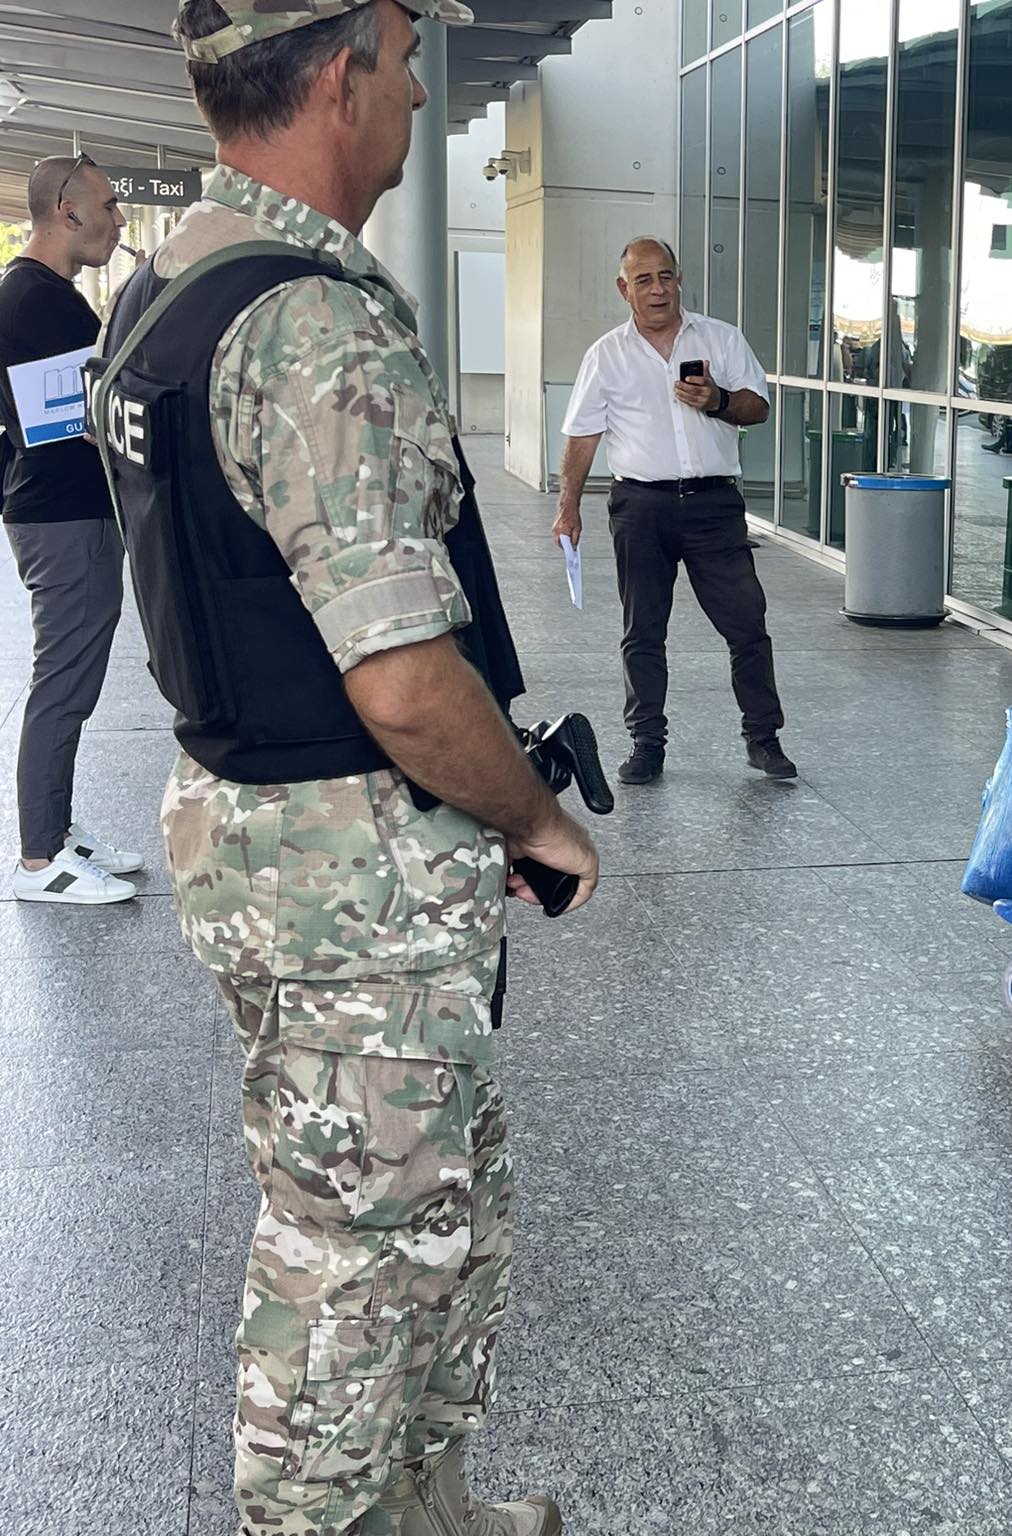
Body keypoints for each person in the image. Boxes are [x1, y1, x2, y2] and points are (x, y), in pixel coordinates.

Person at [98, 2, 598, 1531]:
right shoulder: (308, 321)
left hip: (276, 844)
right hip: (349, 875)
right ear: (338, 79)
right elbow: (400, 679)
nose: (421, 90)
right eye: (405, 56)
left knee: (440, 1204)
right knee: (357, 1255)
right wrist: (537, 818)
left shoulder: (168, 283)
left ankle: (428, 1508)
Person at [552, 238, 794, 785]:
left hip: (713, 506)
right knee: (642, 632)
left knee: (747, 627)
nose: (657, 289)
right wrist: (568, 509)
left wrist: (718, 400)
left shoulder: (720, 338)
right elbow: (582, 437)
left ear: (679, 279)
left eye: (665, 276)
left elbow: (758, 406)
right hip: (640, 507)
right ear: (624, 289)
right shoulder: (606, 355)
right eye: (644, 280)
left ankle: (763, 739)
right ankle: (646, 745)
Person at [0, 153, 144, 905]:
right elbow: (83, 416)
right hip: (63, 517)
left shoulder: (35, 294)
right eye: (110, 205)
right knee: (63, 682)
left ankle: (56, 829)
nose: (117, 220)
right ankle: (40, 860)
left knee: (70, 680)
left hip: (60, 512)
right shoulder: (37, 301)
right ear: (68, 210)